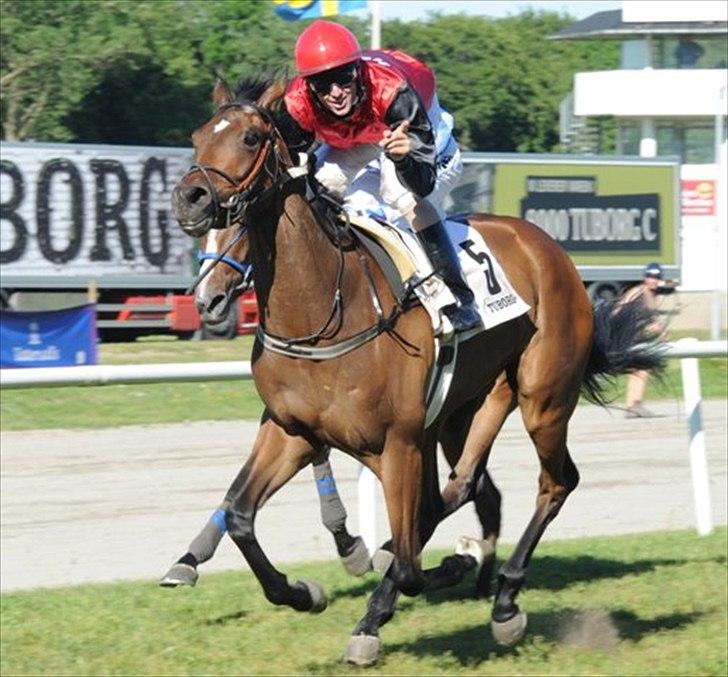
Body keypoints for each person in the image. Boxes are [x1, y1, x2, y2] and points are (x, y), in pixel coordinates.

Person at [284, 19, 480, 333]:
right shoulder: (297, 104)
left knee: (399, 194)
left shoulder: (394, 91)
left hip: (411, 125)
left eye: (343, 78)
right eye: (323, 84)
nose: (335, 93)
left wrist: (403, 159)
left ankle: (459, 295)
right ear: (308, 86)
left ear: (358, 70)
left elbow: (424, 182)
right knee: (320, 186)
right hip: (362, 132)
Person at [621, 262, 670, 418]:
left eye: (656, 277)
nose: (653, 280)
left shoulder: (652, 295)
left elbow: (652, 319)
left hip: (637, 337)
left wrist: (662, 333)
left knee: (639, 370)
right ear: (645, 277)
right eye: (650, 276)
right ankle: (634, 404)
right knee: (642, 369)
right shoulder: (638, 292)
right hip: (629, 337)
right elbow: (620, 308)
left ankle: (632, 405)